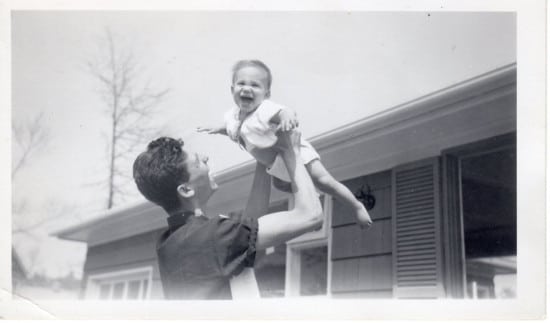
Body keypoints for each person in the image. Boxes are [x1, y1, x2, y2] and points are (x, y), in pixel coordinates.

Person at [132, 130, 322, 299]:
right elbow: (310, 215)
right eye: (198, 162)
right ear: (186, 190)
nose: (206, 158)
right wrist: (291, 151)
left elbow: (248, 229)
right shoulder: (212, 236)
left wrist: (262, 161)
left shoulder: (172, 242)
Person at [198, 59, 372, 227]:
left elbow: (282, 112)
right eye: (241, 83)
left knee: (324, 180)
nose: (247, 88)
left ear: (266, 94)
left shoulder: (263, 110)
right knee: (280, 184)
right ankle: (310, 194)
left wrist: (287, 117)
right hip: (275, 164)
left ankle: (356, 206)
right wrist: (217, 128)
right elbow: (231, 129)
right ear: (232, 89)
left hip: (295, 153)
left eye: (255, 85)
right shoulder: (232, 116)